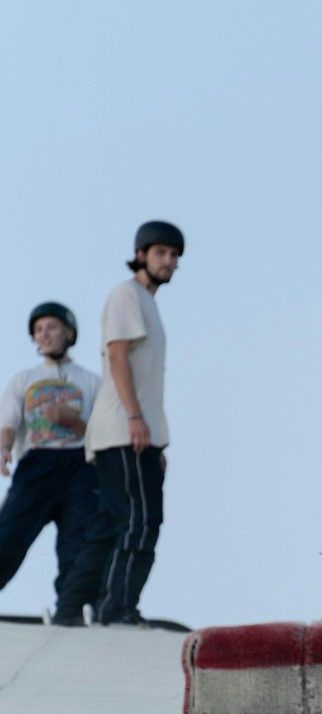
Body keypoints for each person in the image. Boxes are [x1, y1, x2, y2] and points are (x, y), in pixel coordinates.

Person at [54, 221, 184, 627]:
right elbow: (117, 356)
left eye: (175, 255)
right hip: (126, 431)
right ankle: (118, 609)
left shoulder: (147, 303)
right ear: (141, 254)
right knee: (140, 520)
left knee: (110, 524)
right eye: (161, 252)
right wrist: (135, 419)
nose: (170, 261)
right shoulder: (127, 294)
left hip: (131, 434)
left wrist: (156, 440)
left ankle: (71, 608)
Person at [0, 303, 102, 614]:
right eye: (39, 329)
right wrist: (4, 449)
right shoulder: (24, 380)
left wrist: (73, 421)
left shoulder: (91, 381)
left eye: (52, 327)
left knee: (78, 542)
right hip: (37, 465)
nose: (45, 334)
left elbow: (103, 431)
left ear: (69, 333)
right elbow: (8, 422)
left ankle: (72, 610)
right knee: (9, 534)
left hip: (80, 466)